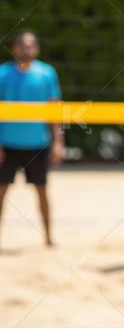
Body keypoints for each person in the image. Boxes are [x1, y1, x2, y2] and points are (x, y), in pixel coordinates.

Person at [0, 31, 63, 249]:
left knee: (42, 191)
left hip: (37, 145)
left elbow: (54, 110)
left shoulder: (46, 73)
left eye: (30, 46)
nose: (26, 50)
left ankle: (48, 238)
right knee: (1, 191)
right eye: (22, 46)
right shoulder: (2, 73)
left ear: (36, 49)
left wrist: (57, 142)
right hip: (7, 145)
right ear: (15, 48)